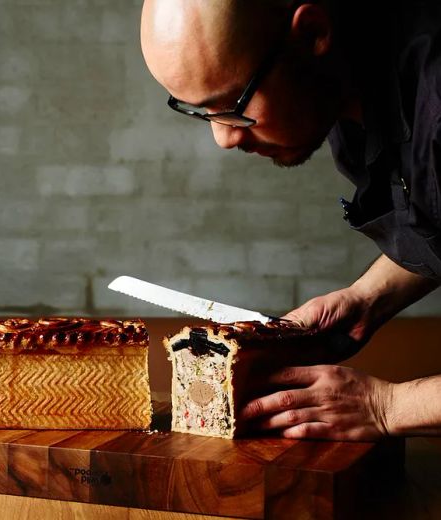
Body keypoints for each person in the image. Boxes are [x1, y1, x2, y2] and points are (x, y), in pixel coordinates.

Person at [140, 0, 441, 440]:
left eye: (233, 104)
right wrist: (367, 299)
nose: (223, 138)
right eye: (200, 112)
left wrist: (387, 406)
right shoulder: (338, 89)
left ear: (314, 32)